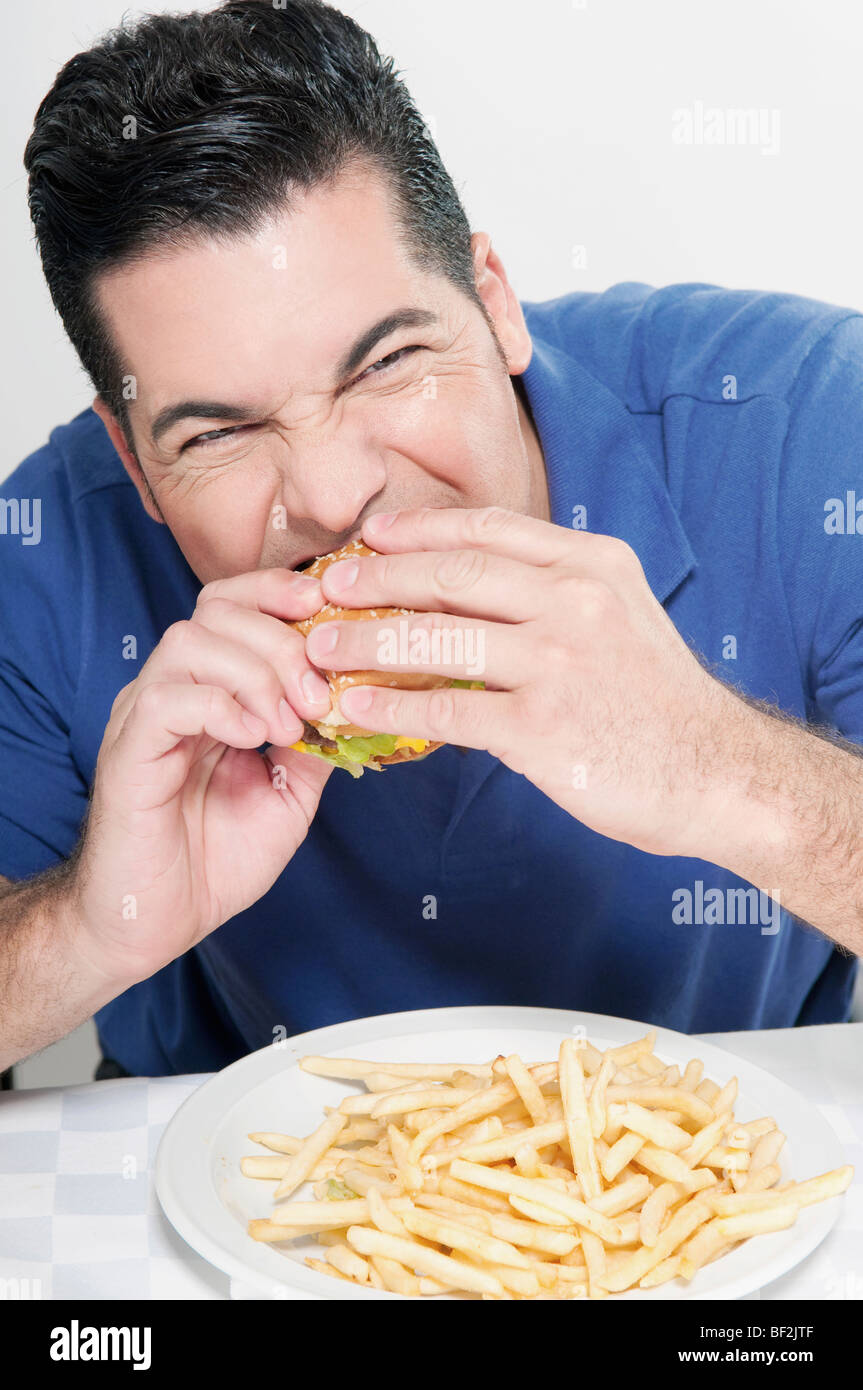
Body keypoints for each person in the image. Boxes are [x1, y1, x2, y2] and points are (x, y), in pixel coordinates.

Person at [2, 0, 862, 1080]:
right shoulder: (40, 550)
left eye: (384, 363)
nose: (330, 494)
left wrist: (727, 774)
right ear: (134, 465)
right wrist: (89, 928)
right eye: (219, 431)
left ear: (494, 303)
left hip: (744, 1180)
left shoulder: (808, 427)